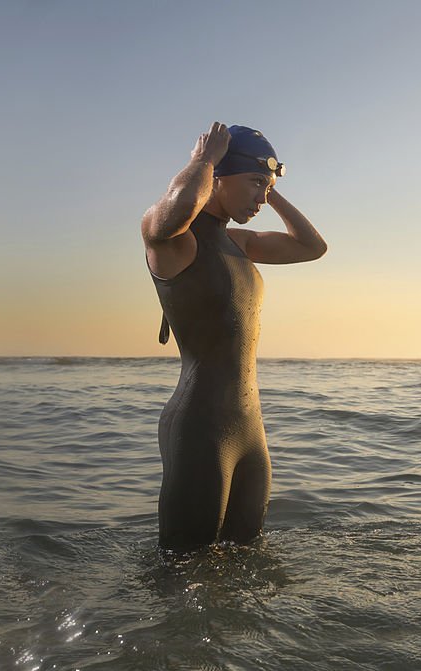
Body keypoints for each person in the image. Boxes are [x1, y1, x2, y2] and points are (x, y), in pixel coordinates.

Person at [141, 122, 327, 551]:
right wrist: (204, 159)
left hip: (249, 430)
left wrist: (269, 184)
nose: (262, 197)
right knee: (184, 569)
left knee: (247, 562)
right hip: (200, 427)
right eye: (255, 184)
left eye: (268, 186)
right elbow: (180, 206)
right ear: (217, 180)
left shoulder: (239, 244)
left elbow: (311, 247)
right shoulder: (174, 240)